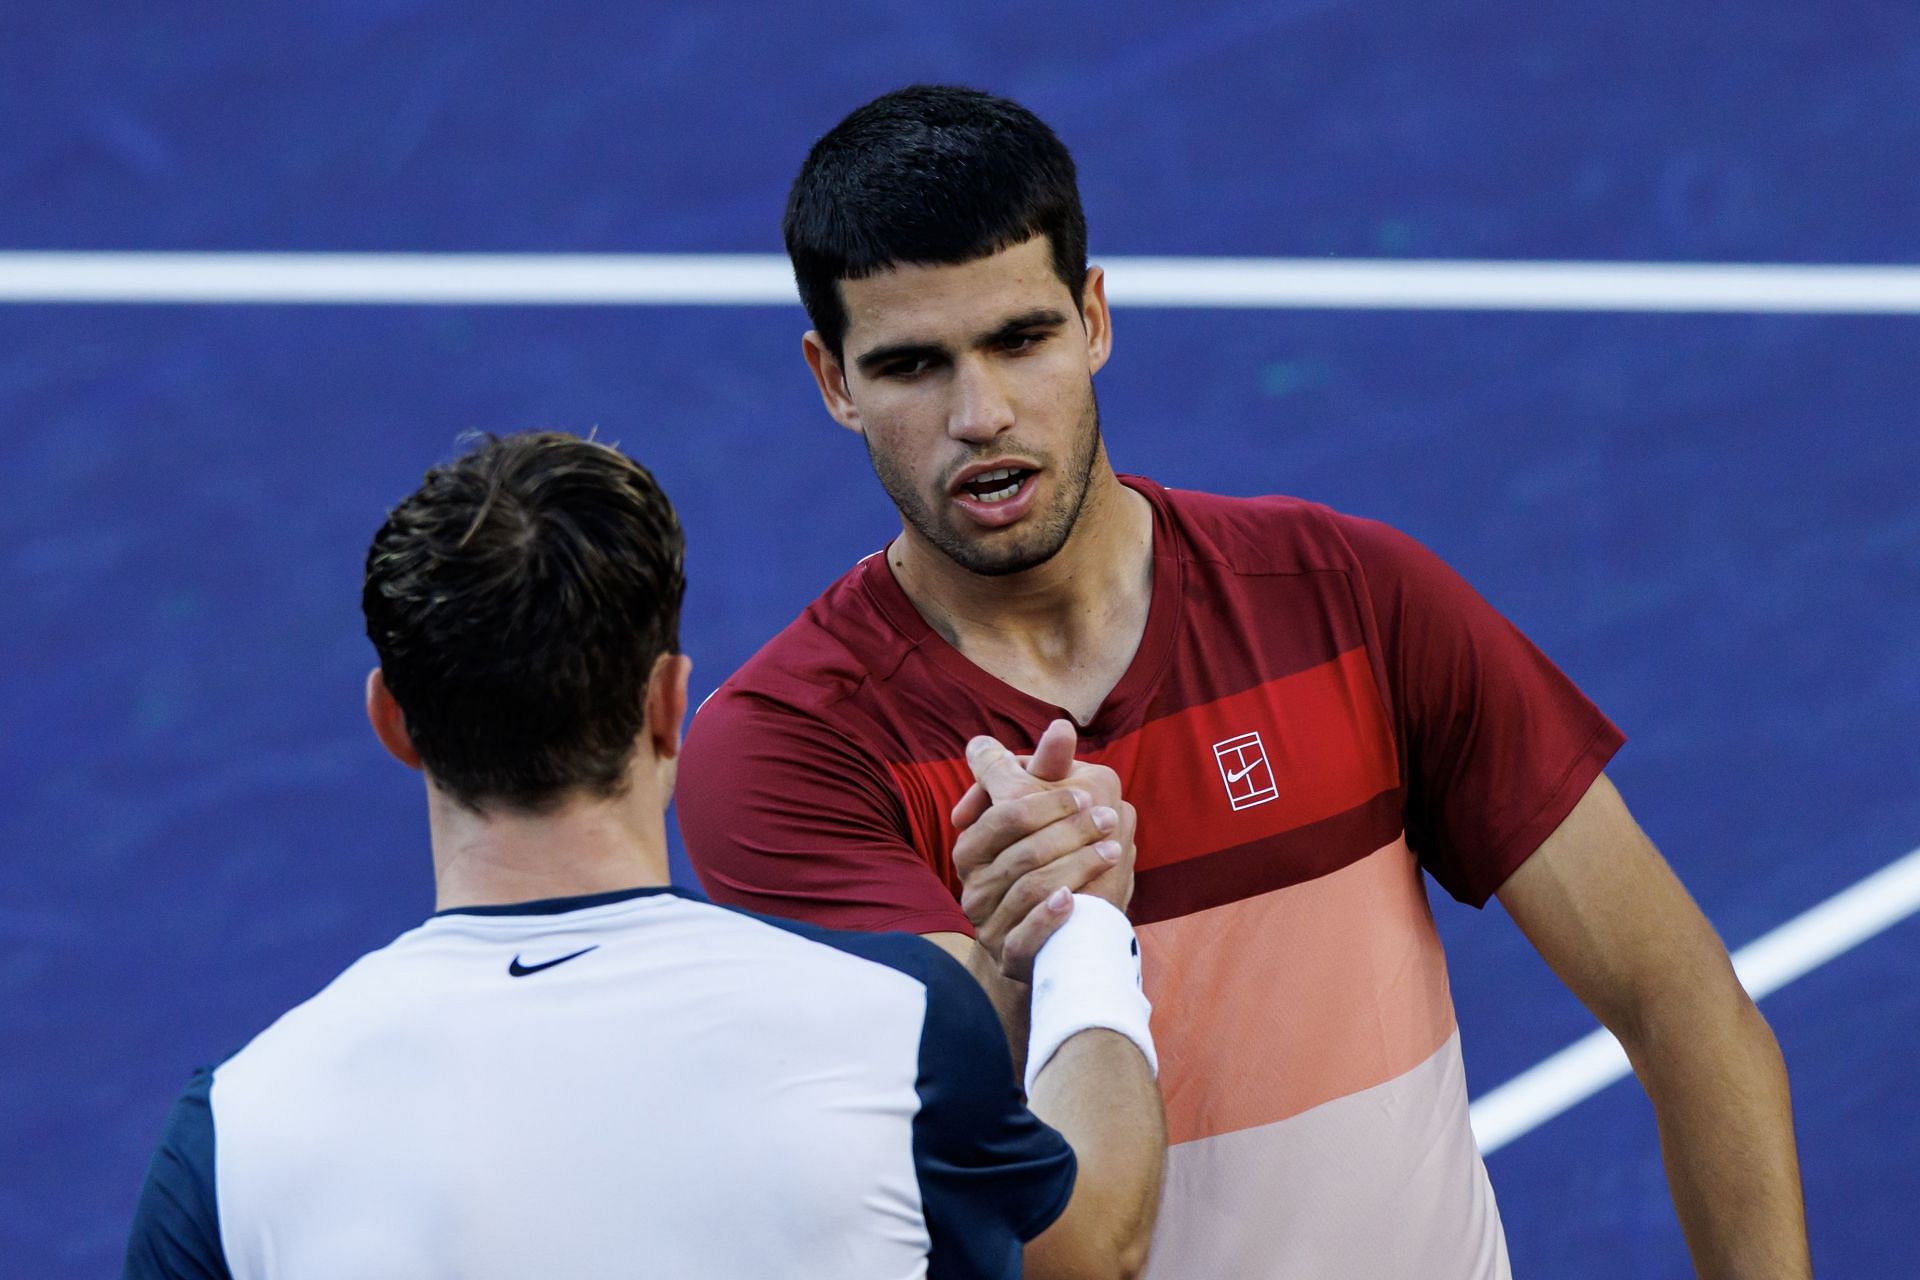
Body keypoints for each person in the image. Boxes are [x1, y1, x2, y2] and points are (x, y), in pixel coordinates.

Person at [675, 85, 1811, 1278]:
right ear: (832, 380)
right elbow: (962, 1191)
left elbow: (1686, 1006)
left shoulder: (1351, 600)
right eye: (911, 364)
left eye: (1022, 338)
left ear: (1095, 317)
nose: (982, 413)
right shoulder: (788, 749)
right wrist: (1021, 957)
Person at [121, 432, 1164, 1280]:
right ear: (671, 703)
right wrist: (1078, 918)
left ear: (393, 721)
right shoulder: (901, 1030)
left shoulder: (235, 1133)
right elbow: (1096, 1244)